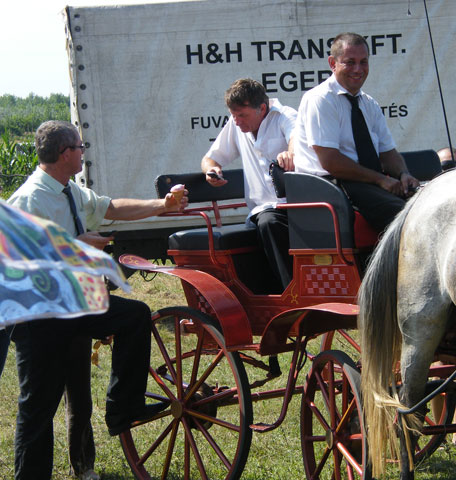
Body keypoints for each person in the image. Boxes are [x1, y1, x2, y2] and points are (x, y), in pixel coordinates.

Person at [8, 120, 188, 480]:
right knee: (38, 407)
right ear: (65, 154)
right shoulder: (29, 199)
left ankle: (124, 408)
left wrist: (163, 205)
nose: (82, 153)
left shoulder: (69, 190)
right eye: (80, 147)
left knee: (134, 316)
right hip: (39, 314)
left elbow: (112, 207)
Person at [294, 32, 420, 232]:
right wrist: (381, 179)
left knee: (424, 205)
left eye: (363, 62)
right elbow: (331, 161)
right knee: (404, 216)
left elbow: (388, 153)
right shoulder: (320, 99)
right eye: (350, 62)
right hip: (329, 187)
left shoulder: (369, 104)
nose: (358, 69)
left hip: (364, 184)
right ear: (333, 63)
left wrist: (403, 174)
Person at [202, 78, 296, 292]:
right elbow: (210, 158)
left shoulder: (285, 116)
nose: (236, 122)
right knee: (267, 221)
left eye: (242, 115)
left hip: (292, 207)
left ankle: (292, 293)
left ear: (262, 108)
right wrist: (211, 170)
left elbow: (297, 138)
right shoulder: (236, 124)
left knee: (270, 222)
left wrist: (290, 154)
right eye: (233, 115)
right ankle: (284, 293)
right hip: (260, 212)